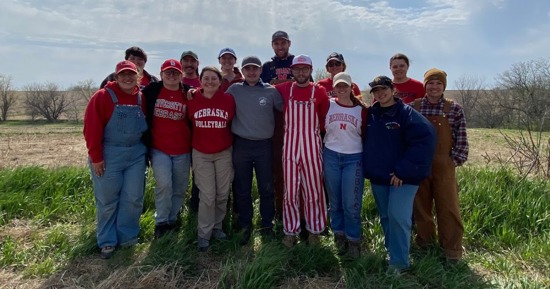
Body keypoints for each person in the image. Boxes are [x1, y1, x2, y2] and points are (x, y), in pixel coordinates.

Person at [363, 75, 436, 274]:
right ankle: (392, 252)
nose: (380, 93)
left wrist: (403, 170)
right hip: (380, 175)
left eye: (383, 89)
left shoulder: (406, 114)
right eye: (376, 90)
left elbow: (425, 140)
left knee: (399, 217)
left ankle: (400, 263)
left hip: (402, 177)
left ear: (393, 89)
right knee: (386, 217)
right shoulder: (372, 114)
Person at [84, 60, 148, 259]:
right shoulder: (103, 96)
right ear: (116, 77)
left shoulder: (141, 98)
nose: (128, 78)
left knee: (133, 198)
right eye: (123, 75)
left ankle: (128, 238)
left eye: (131, 74)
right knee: (108, 200)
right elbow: (91, 129)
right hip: (109, 155)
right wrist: (96, 157)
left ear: (138, 76)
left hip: (136, 155)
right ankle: (107, 241)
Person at [412, 68, 469, 264]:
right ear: (425, 85)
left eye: (438, 83)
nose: (434, 87)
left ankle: (452, 250)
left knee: (448, 207)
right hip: (420, 165)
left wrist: (454, 160)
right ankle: (424, 244)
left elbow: (461, 140)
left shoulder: (454, 109)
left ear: (443, 86)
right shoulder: (415, 107)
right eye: (430, 83)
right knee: (421, 206)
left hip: (444, 166)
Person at [227, 56, 283, 245]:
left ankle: (267, 225)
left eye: (255, 69)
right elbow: (217, 101)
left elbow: (288, 110)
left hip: (263, 146)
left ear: (260, 71)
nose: (251, 72)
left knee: (266, 187)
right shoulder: (234, 89)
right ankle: (245, 225)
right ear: (242, 71)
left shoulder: (271, 91)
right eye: (247, 69)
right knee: (242, 188)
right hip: (241, 145)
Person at [275, 55, 329, 247]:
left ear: (311, 70)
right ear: (292, 70)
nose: (301, 72)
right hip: (289, 147)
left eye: (304, 69)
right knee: (290, 191)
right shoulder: (284, 88)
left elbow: (324, 118)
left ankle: (315, 230)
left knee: (313, 190)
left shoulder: (320, 92)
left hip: (311, 147)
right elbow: (263, 91)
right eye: (297, 69)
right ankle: (291, 232)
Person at [187, 66, 236, 252]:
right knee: (207, 195)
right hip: (201, 153)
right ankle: (203, 234)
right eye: (206, 79)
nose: (209, 82)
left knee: (223, 193)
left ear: (220, 81)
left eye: (213, 79)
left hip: (223, 152)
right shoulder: (191, 98)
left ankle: (217, 228)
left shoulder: (228, 99)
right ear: (200, 81)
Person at [142, 59, 192, 238]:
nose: (171, 75)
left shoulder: (187, 93)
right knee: (164, 184)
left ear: (181, 75)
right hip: (159, 148)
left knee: (179, 187)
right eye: (168, 72)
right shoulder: (152, 90)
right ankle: (161, 221)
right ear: (161, 74)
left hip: (183, 149)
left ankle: (172, 219)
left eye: (175, 72)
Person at [322, 72, 367, 258]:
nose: (341, 89)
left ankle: (354, 239)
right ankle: (338, 234)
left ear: (351, 88)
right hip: (331, 155)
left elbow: (366, 135)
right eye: (338, 86)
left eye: (345, 86)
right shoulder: (327, 105)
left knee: (351, 202)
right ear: (334, 87)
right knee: (335, 200)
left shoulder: (361, 110)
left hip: (354, 157)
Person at [260, 30, 295, 220]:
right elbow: (261, 88)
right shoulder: (267, 66)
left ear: (289, 43)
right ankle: (279, 209)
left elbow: (309, 86)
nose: (280, 47)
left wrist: (279, 82)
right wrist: (285, 82)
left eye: (283, 43)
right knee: (276, 167)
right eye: (277, 43)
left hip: (296, 117)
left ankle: (298, 210)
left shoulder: (297, 63)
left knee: (296, 165)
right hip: (273, 119)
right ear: (272, 45)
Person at [180, 50, 202, 213]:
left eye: (192, 61)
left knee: (199, 174)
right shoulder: (173, 81)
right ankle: (177, 209)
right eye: (185, 61)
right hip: (178, 135)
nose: (189, 64)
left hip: (199, 135)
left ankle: (196, 206)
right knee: (179, 176)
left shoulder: (204, 82)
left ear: (197, 64)